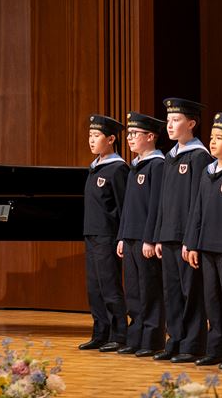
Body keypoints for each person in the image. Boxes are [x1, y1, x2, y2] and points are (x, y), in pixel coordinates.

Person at [184, 113, 222, 368]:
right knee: (211, 299)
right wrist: (192, 243)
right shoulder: (207, 171)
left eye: (219, 138)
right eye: (211, 137)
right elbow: (197, 210)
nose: (212, 142)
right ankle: (216, 348)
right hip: (206, 245)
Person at [153, 98, 212, 363]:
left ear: (191, 123)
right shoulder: (170, 157)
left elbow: (199, 203)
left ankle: (192, 344)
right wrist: (158, 236)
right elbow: (163, 201)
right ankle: (174, 340)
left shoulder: (199, 157)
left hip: (186, 237)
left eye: (176, 120)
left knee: (191, 292)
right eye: (168, 120)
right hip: (168, 236)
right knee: (172, 291)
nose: (170, 125)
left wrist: (192, 239)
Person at [115, 112, 166, 357]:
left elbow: (156, 206)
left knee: (150, 290)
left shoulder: (158, 165)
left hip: (145, 239)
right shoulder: (135, 165)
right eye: (129, 134)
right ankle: (135, 337)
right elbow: (127, 206)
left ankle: (152, 340)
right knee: (134, 291)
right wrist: (122, 236)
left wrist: (150, 238)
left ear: (151, 136)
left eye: (135, 133)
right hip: (130, 237)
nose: (130, 138)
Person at [78, 115, 129, 353]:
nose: (91, 140)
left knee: (110, 286)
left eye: (96, 136)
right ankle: (100, 332)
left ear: (110, 139)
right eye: (90, 136)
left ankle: (119, 334)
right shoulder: (94, 167)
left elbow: (123, 207)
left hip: (108, 236)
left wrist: (121, 237)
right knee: (94, 288)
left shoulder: (117, 169)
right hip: (92, 234)